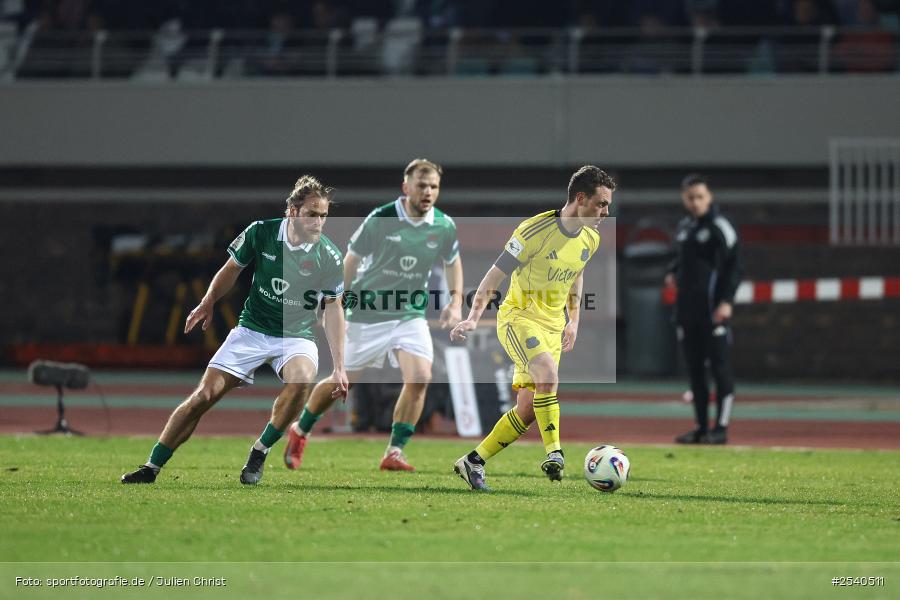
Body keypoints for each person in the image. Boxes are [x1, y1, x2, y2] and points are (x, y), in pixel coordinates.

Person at [121, 176, 348, 485]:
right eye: (312, 213)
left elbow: (334, 308)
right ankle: (151, 467)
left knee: (302, 380)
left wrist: (339, 366)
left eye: (323, 215)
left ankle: (261, 449)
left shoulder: (329, 256)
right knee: (203, 396)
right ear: (292, 212)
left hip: (295, 336)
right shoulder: (261, 232)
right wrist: (208, 301)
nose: (319, 222)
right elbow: (231, 269)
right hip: (251, 329)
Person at [283, 159, 462, 472]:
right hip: (367, 314)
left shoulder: (444, 225)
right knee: (342, 383)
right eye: (422, 185)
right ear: (406, 187)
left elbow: (452, 261)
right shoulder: (381, 218)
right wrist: (339, 302)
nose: (428, 192)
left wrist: (455, 302)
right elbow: (351, 261)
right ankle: (301, 429)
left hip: (409, 314)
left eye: (433, 186)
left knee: (420, 377)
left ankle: (394, 451)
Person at [450, 166, 614, 491]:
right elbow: (495, 275)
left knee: (526, 410)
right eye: (601, 204)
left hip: (553, 326)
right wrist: (473, 316)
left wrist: (574, 319)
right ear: (580, 199)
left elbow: (576, 274)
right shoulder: (534, 230)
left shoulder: (590, 239)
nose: (606, 212)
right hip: (518, 318)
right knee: (548, 374)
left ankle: (472, 462)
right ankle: (555, 453)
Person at [666, 174, 742, 445]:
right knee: (695, 371)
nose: (695, 202)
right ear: (684, 199)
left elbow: (735, 265)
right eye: (690, 198)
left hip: (713, 310)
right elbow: (681, 260)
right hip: (687, 312)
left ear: (709, 197)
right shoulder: (685, 227)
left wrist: (727, 301)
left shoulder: (720, 226)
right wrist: (673, 273)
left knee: (720, 369)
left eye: (700, 197)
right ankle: (700, 427)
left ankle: (720, 428)